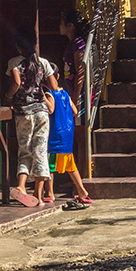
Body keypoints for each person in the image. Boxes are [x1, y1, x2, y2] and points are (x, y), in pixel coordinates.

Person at [5, 24, 58, 207]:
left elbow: (16, 83)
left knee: (25, 151)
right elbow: (54, 86)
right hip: (42, 113)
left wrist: (8, 97)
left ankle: (21, 186)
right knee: (41, 151)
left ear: (18, 45)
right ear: (34, 43)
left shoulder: (14, 63)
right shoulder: (43, 62)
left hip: (23, 113)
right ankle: (39, 194)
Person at [44, 65, 93, 206]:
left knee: (50, 166)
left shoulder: (49, 94)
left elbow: (51, 109)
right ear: (58, 77)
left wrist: (42, 95)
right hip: (67, 134)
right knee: (71, 166)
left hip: (55, 135)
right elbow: (75, 111)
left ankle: (49, 193)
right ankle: (82, 191)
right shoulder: (64, 93)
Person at [59, 9, 91, 173]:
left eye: (62, 23)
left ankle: (83, 176)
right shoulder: (73, 43)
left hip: (79, 95)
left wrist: (77, 97)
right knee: (74, 137)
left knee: (80, 137)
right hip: (71, 94)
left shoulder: (78, 44)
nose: (59, 26)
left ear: (70, 25)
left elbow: (81, 71)